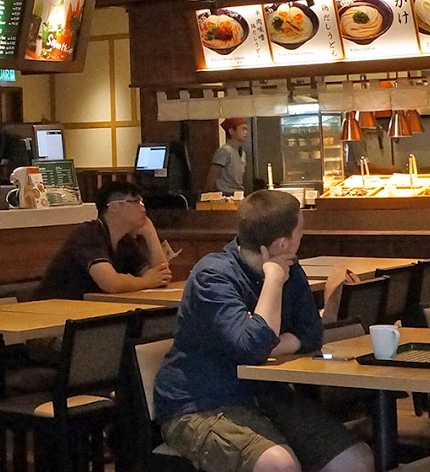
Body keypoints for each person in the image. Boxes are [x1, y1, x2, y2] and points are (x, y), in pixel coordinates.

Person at [154, 190, 373, 472]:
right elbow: (253, 347)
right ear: (282, 243)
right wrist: (273, 279)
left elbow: (310, 333)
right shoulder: (212, 276)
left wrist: (265, 341)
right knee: (279, 465)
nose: (302, 237)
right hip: (201, 404)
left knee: (356, 461)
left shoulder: (291, 268)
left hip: (266, 394)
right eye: (300, 231)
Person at [33, 179, 172, 300]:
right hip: (53, 309)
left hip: (89, 309)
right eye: (136, 202)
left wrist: (150, 233)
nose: (143, 209)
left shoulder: (125, 241)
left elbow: (161, 276)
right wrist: (145, 281)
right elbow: (111, 283)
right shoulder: (88, 234)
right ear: (115, 207)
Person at [209, 117, 249, 195]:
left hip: (238, 193)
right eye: (243, 129)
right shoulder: (225, 151)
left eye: (246, 129)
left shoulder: (242, 153)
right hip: (225, 194)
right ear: (231, 131)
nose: (245, 132)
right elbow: (213, 175)